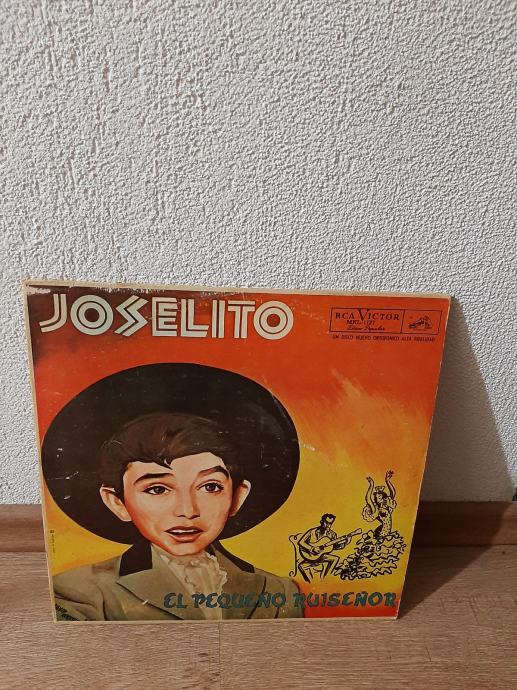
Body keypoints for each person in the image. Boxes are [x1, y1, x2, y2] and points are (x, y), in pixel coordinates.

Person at [53, 412, 302, 621]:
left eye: (210, 486)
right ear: (117, 502)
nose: (187, 510)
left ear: (237, 496)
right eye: (157, 489)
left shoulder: (278, 590)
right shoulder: (79, 592)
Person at [296, 514, 350, 581]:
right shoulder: (312, 531)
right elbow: (301, 542)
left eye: (330, 523)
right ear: (321, 522)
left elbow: (333, 547)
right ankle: (312, 582)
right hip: (309, 554)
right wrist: (311, 548)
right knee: (302, 566)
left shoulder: (332, 534)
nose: (328, 525)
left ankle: (325, 579)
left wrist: (345, 542)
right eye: (326, 522)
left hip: (321, 555)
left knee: (335, 559)